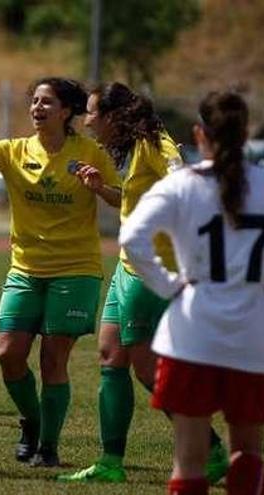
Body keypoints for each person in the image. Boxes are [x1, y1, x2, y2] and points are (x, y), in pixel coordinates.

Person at [0, 70, 121, 467]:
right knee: (8, 354)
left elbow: (122, 199)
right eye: (35, 101)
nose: (37, 108)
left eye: (47, 102)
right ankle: (33, 421)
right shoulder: (15, 150)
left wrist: (100, 188)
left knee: (53, 360)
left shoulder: (91, 153)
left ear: (67, 111)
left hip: (76, 270)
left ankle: (49, 448)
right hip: (25, 269)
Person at [59, 83, 228, 483]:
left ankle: (213, 451)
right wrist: (103, 189)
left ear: (114, 116)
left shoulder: (155, 142)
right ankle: (110, 463)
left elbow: (179, 174)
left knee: (147, 370)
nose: (86, 121)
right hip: (125, 267)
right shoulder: (133, 148)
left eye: (91, 113)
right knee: (109, 357)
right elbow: (137, 200)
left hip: (149, 272)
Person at [120, 91, 263, 495]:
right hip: (253, 338)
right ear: (245, 133)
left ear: (199, 134)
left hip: (192, 336)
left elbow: (132, 237)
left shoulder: (182, 186)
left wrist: (169, 284)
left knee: (189, 460)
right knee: (248, 450)